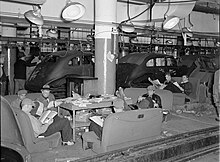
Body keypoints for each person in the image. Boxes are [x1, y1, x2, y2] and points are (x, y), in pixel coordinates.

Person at [89, 86, 162, 139]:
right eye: (148, 90)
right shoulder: (130, 114)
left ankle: (122, 97)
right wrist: (140, 101)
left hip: (113, 135)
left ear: (114, 108)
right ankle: (122, 97)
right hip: (134, 114)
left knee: (93, 124)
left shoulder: (113, 118)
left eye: (151, 91)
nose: (149, 91)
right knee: (127, 107)